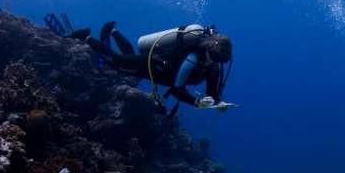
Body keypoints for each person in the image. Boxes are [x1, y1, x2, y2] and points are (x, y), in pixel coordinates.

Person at [68, 21, 234, 112]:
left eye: (219, 61)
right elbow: (177, 88)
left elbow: (212, 94)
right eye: (213, 58)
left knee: (128, 57)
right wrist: (196, 102)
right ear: (208, 49)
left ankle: (112, 31)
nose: (214, 63)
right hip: (154, 65)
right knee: (116, 63)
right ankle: (86, 37)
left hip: (161, 70)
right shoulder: (193, 56)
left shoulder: (214, 66)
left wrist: (217, 103)